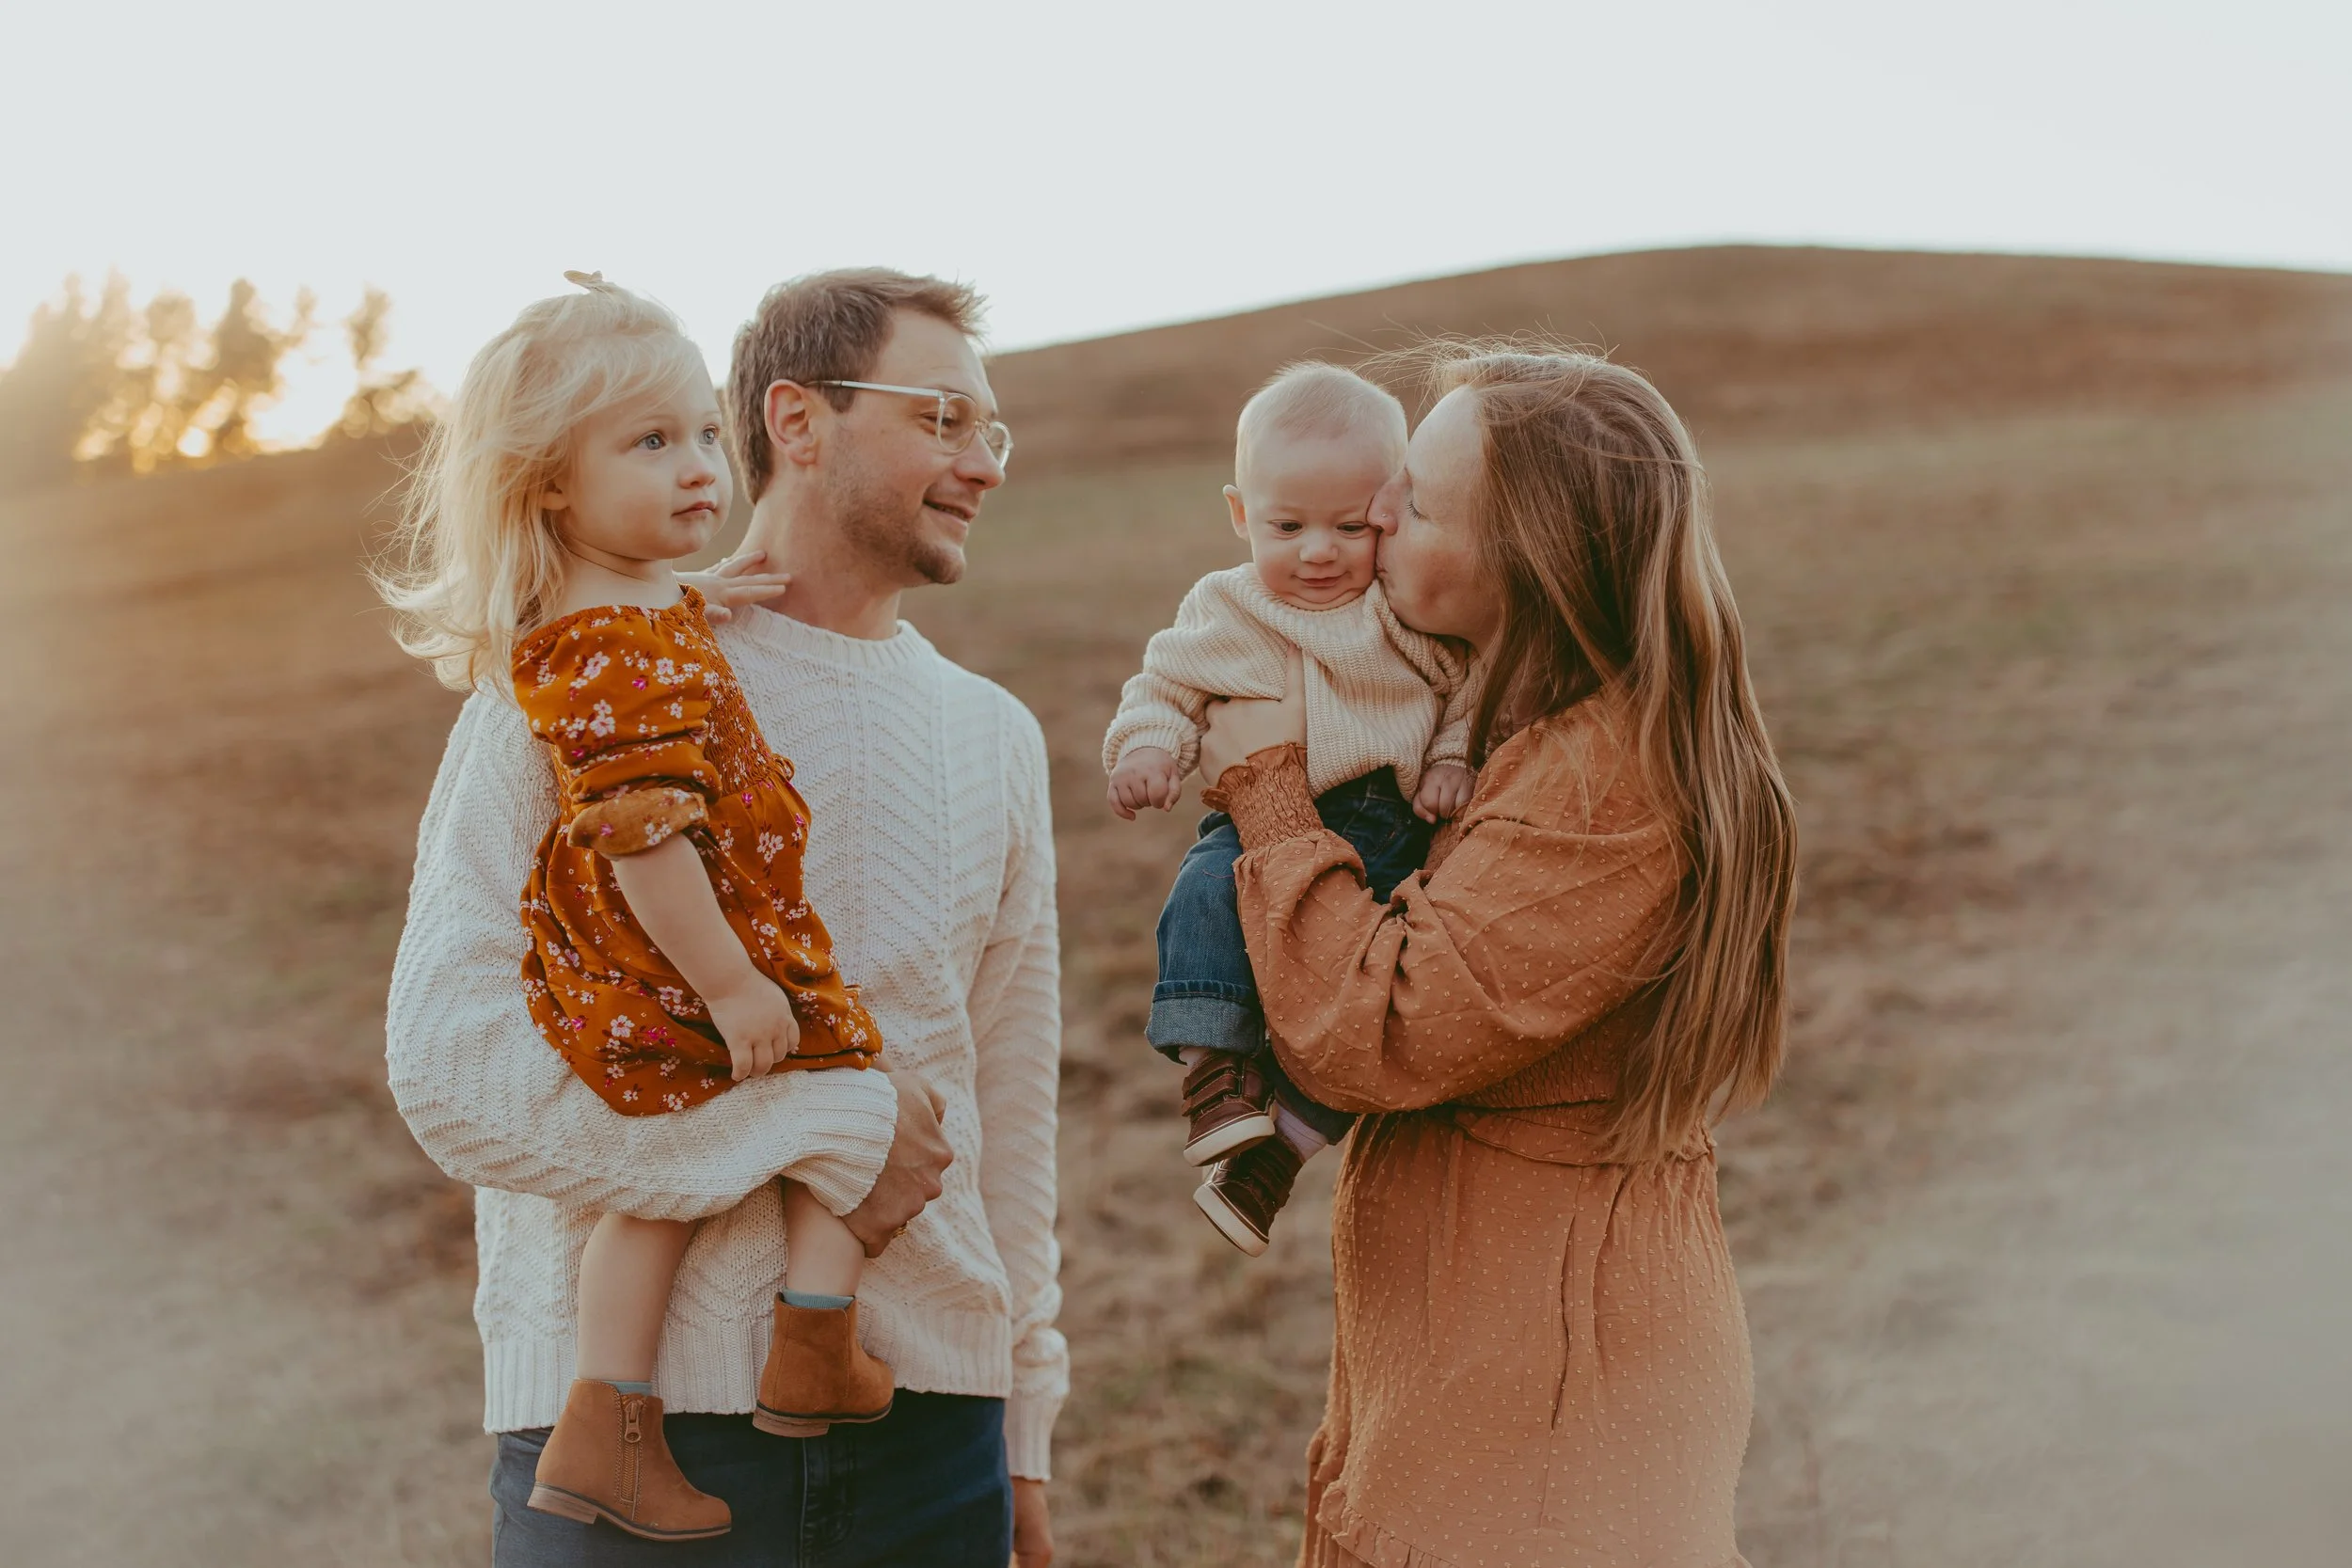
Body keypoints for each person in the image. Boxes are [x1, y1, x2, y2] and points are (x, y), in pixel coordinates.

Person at [386, 268, 1063, 1568]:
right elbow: (448, 1062)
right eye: (942, 418)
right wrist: (819, 1116)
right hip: (641, 1448)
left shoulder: (997, 737)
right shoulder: (595, 662)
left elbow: (1011, 1115)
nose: (982, 461)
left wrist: (1021, 1418)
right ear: (797, 420)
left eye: (994, 429)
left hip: (934, 1437)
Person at [1195, 342, 1796, 1566]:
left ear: (1527, 556)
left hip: (1550, 1387)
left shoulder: (1602, 784)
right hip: (1491, 1350)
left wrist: (1265, 779)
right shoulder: (1527, 732)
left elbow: (1378, 1031)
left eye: (1414, 497)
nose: (1374, 513)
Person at [1101, 362, 1475, 1255]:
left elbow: (1465, 687)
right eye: (1287, 525)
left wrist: (1452, 759)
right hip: (1250, 816)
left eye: (1349, 526)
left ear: (1388, 509)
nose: (1318, 550)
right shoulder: (1228, 605)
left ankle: (1276, 1159)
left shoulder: (1402, 612)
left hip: (1387, 824)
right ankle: (1213, 1075)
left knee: (1378, 990)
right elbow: (1168, 683)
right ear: (1241, 515)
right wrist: (1149, 746)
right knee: (1199, 896)